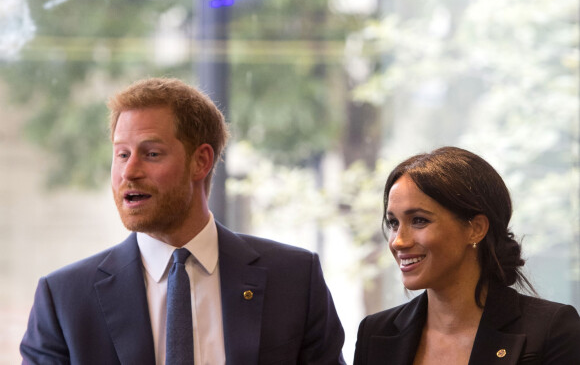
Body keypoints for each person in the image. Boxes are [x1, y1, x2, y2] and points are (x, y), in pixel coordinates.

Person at [21, 77, 346, 365]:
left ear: (200, 161)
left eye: (151, 154)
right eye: (122, 154)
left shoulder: (293, 280)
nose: (129, 172)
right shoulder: (64, 298)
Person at [353, 146, 580, 365]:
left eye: (419, 220)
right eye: (393, 223)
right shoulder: (375, 333)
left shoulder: (551, 331)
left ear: (476, 228)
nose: (399, 241)